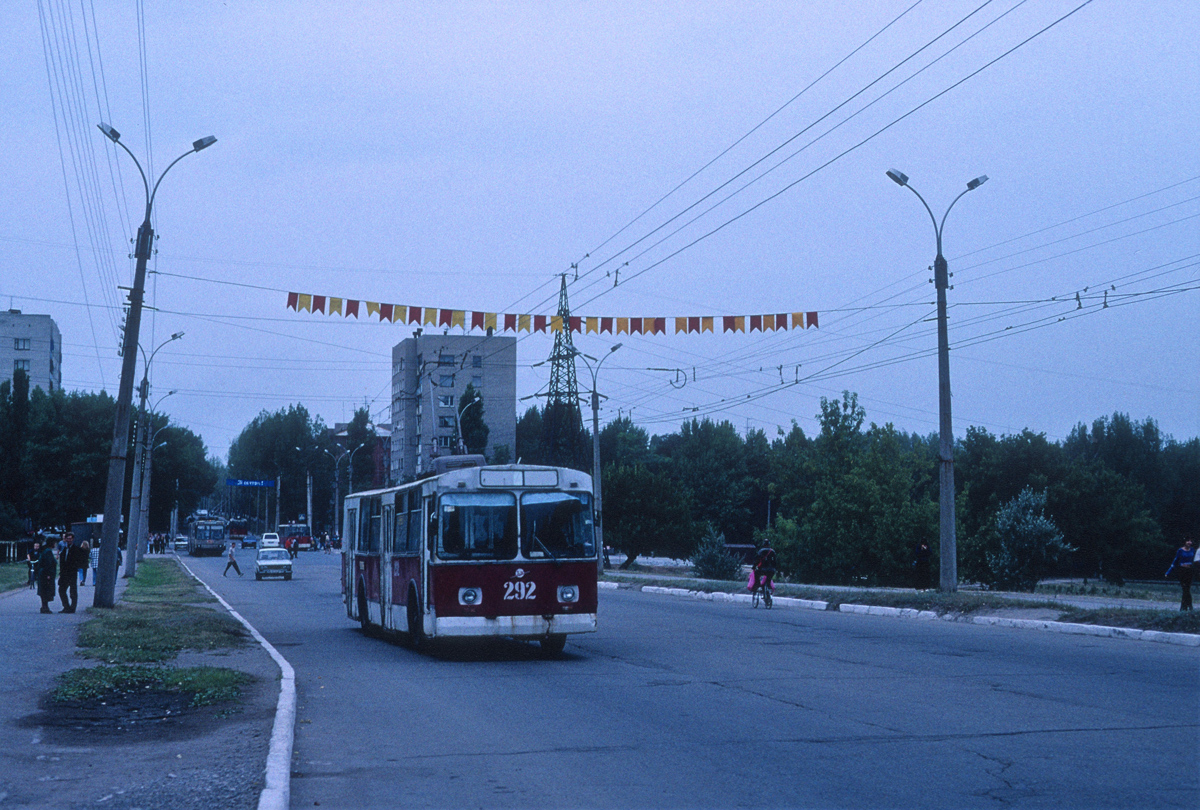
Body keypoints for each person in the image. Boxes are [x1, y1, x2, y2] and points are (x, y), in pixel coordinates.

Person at [58, 533, 86, 613]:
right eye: (67, 538)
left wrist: (76, 567)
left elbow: (81, 560)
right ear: (65, 539)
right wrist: (60, 573)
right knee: (61, 590)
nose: (69, 540)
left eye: (70, 538)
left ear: (73, 539)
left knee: (73, 591)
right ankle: (66, 606)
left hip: (72, 573)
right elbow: (62, 563)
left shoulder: (76, 549)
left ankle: (72, 608)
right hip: (64, 573)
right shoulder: (64, 550)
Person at [1165, 537, 1194, 611]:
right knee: (1185, 589)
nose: (1189, 542)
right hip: (1182, 571)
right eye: (1188, 541)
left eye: (1190, 541)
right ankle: (1189, 606)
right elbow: (1175, 561)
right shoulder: (1180, 550)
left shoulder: (1192, 550)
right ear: (1185, 542)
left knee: (1187, 589)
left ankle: (1184, 607)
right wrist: (1168, 571)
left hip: (1189, 570)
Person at [35, 540, 57, 613]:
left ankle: (44, 606)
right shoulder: (48, 551)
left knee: (43, 590)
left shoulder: (45, 550)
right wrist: (49, 574)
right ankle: (45, 607)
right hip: (45, 573)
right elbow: (48, 563)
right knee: (46, 590)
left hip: (42, 573)